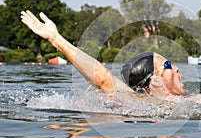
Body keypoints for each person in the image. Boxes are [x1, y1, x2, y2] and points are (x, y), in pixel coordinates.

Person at [20, 10, 186, 96]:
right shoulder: (139, 102)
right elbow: (103, 78)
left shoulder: (191, 99)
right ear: (155, 81)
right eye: (168, 65)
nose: (177, 69)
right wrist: (56, 39)